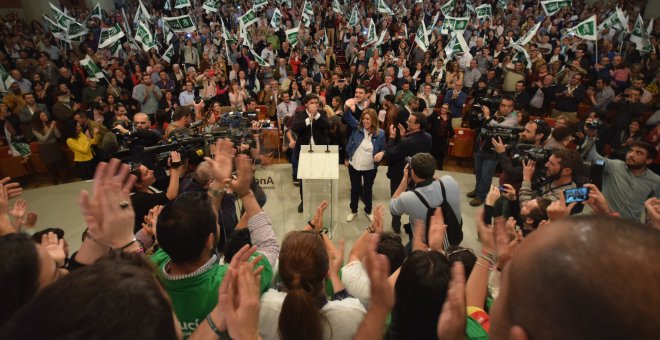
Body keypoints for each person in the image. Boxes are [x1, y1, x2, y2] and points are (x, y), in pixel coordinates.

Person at [152, 142, 277, 337]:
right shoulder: (229, 283)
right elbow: (268, 247)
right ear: (211, 241)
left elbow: (201, 223)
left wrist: (218, 182)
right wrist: (245, 192)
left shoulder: (150, 271)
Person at [259, 230, 366, 339]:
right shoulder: (353, 315)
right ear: (326, 272)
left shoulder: (262, 306)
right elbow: (348, 303)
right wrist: (334, 275)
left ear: (281, 273)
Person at [390, 152, 462, 249]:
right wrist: (428, 173)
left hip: (425, 247)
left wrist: (405, 179)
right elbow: (437, 181)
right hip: (453, 239)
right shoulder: (450, 181)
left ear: (413, 173)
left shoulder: (408, 198)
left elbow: (393, 207)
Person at [583, 140, 660, 220]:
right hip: (604, 218)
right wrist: (590, 138)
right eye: (630, 151)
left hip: (630, 226)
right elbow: (594, 158)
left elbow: (654, 206)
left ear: (648, 160)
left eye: (638, 153)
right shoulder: (614, 166)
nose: (631, 155)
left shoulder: (655, 180)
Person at [383, 112, 432, 233]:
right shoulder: (428, 137)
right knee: (416, 202)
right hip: (419, 176)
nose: (406, 122)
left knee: (396, 200)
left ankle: (396, 225)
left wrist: (392, 138)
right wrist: (405, 137)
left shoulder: (407, 142)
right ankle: (413, 226)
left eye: (410, 121)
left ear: (417, 125)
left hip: (400, 175)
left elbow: (389, 155)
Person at [468, 97, 518, 206]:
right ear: (499, 106)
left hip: (493, 152)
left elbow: (498, 127)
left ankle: (481, 196)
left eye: (509, 106)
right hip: (481, 146)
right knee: (479, 172)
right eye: (503, 105)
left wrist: (487, 116)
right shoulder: (493, 113)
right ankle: (477, 190)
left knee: (486, 174)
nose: (506, 108)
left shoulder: (513, 119)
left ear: (513, 108)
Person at [343, 108, 386, 222]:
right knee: (355, 189)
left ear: (373, 120)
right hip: (354, 166)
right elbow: (347, 116)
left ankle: (368, 210)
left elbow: (384, 148)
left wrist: (382, 152)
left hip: (370, 168)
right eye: (363, 118)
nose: (364, 121)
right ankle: (353, 210)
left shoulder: (381, 134)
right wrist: (347, 107)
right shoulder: (357, 128)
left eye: (367, 119)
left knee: (368, 190)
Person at [290, 94, 330, 213]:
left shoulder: (322, 114)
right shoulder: (300, 114)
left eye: (316, 103)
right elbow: (295, 127)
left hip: (319, 150)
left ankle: (319, 198)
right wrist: (309, 120)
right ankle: (304, 200)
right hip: (304, 151)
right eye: (312, 103)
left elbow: (327, 126)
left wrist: (316, 115)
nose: (315, 105)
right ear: (306, 104)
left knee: (320, 176)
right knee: (304, 178)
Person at [129, 151, 182, 232]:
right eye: (147, 173)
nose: (152, 171)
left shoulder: (147, 185)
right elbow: (170, 196)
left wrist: (174, 165)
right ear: (138, 184)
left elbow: (173, 179)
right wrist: (175, 167)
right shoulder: (137, 199)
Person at [31, 111, 65, 184]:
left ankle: (65, 181)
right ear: (39, 118)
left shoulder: (50, 124)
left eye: (45, 114)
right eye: (43, 115)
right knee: (51, 167)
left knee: (60, 165)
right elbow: (44, 139)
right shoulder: (35, 128)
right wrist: (51, 129)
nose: (46, 116)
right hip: (46, 149)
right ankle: (55, 183)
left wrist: (54, 127)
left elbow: (58, 136)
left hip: (55, 146)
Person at [427, 103, 454, 170]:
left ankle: (440, 166)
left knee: (441, 152)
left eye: (445, 108)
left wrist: (453, 134)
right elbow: (428, 120)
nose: (443, 109)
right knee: (433, 152)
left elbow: (450, 126)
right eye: (442, 107)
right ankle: (430, 166)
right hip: (434, 136)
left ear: (448, 110)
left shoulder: (449, 116)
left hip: (443, 137)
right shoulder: (435, 114)